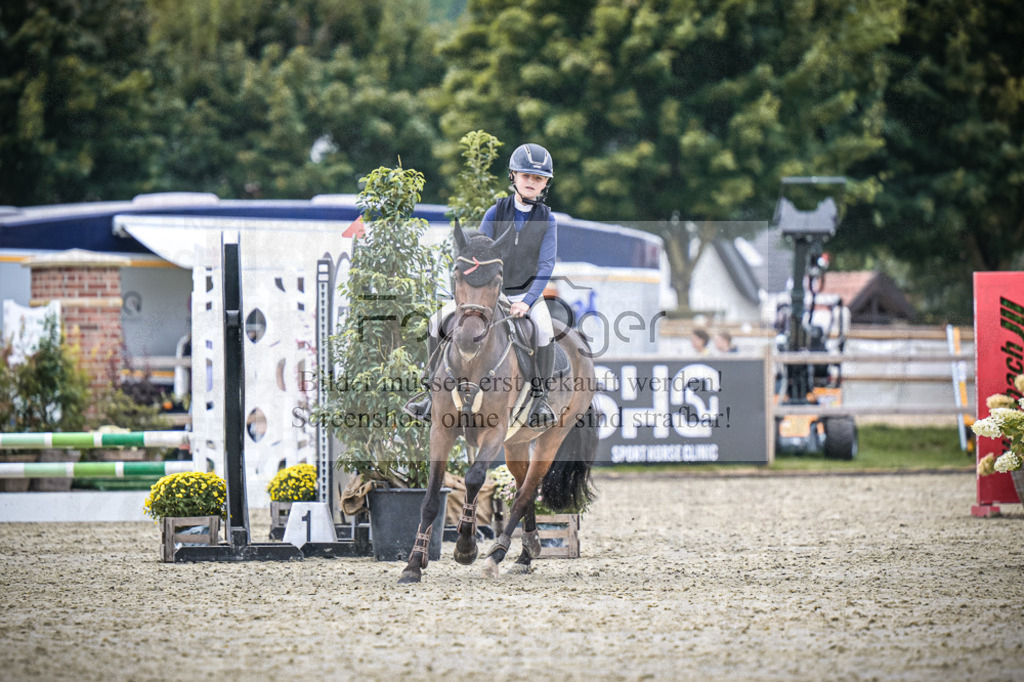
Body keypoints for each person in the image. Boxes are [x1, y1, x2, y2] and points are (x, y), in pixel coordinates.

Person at [405, 142, 558, 428]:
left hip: (527, 294)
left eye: (537, 179)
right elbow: (478, 253)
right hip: (488, 293)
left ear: (545, 183)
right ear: (513, 176)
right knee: (435, 321)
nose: (531, 183)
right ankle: (428, 394)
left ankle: (540, 399)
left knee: (545, 331)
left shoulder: (547, 220)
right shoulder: (494, 212)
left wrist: (528, 301)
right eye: (526, 176)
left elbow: (546, 266)